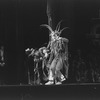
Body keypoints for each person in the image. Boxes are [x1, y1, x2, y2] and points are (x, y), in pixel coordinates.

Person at [41, 21, 69, 85]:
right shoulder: (52, 43)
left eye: (53, 36)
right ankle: (51, 80)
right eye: (52, 36)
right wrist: (45, 51)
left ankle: (59, 80)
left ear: (56, 36)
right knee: (51, 68)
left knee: (57, 68)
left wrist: (60, 38)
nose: (52, 37)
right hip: (55, 57)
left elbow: (67, 40)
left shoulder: (61, 40)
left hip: (61, 57)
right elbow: (48, 49)